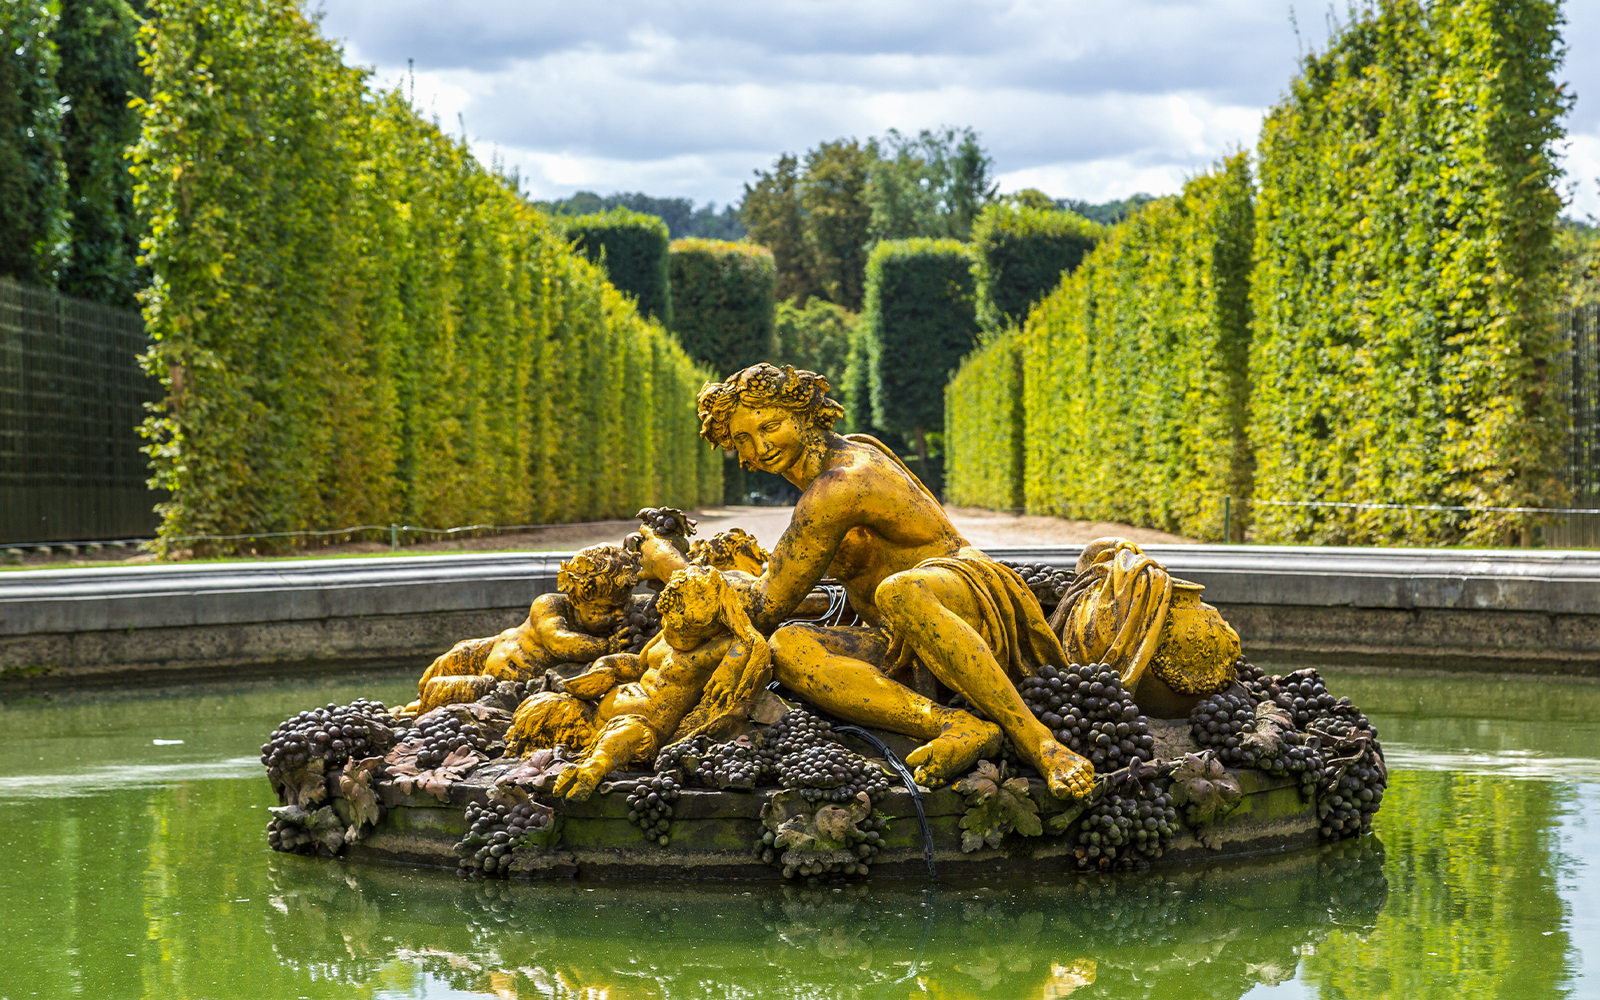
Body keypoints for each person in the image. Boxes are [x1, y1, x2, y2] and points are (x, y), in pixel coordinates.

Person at [635, 364, 1093, 799]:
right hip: (899, 636)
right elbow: (787, 592)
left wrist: (668, 563)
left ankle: (1041, 742)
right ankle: (956, 726)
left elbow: (766, 604)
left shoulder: (838, 487)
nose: (759, 447)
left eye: (769, 425)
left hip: (965, 601)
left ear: (802, 413)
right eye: (743, 439)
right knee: (791, 646)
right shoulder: (845, 454)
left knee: (898, 590)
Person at [402, 544, 641, 715]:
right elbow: (560, 643)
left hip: (503, 686)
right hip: (497, 659)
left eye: (622, 607)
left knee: (460, 690)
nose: (619, 615)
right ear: (582, 597)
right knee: (448, 666)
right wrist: (608, 646)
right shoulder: (549, 604)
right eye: (608, 609)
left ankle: (420, 706)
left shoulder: (616, 608)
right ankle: (419, 704)